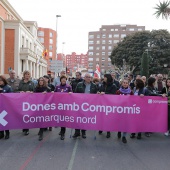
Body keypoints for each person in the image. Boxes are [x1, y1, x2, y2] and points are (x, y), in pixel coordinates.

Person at [72, 73, 98, 139]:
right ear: (84, 78)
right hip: (80, 104)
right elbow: (75, 93)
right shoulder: (79, 84)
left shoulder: (94, 85)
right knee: (78, 118)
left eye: (89, 77)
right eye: (87, 77)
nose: (88, 78)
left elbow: (96, 94)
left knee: (84, 119)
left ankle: (83, 132)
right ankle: (77, 132)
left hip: (88, 105)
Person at [98, 74, 117, 138]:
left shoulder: (113, 85)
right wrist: (99, 92)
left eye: (105, 77)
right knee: (102, 117)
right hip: (102, 104)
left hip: (109, 104)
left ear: (108, 78)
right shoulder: (102, 84)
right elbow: (100, 90)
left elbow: (113, 94)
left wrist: (105, 93)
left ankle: (108, 131)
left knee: (108, 118)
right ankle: (101, 128)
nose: (104, 78)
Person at [54, 75, 72, 140]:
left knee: (64, 119)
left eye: (65, 79)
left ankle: (63, 133)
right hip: (58, 106)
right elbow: (54, 94)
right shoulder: (57, 87)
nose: (63, 80)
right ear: (60, 80)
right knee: (59, 118)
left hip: (65, 106)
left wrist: (70, 93)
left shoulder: (68, 87)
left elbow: (72, 95)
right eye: (62, 79)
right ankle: (61, 130)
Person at [116, 78, 133, 143]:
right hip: (119, 110)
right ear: (122, 83)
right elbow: (114, 100)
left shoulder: (131, 92)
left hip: (127, 110)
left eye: (126, 83)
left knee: (126, 123)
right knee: (120, 122)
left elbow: (134, 100)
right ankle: (119, 131)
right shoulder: (118, 91)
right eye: (124, 83)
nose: (125, 84)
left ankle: (124, 136)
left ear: (128, 84)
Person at [18, 70, 35, 135]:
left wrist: (31, 92)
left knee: (27, 114)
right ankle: (23, 126)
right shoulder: (21, 82)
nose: (27, 76)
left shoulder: (32, 83)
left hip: (29, 101)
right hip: (22, 101)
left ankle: (27, 128)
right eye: (26, 74)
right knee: (22, 114)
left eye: (28, 74)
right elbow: (18, 90)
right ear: (24, 75)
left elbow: (34, 91)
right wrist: (20, 92)